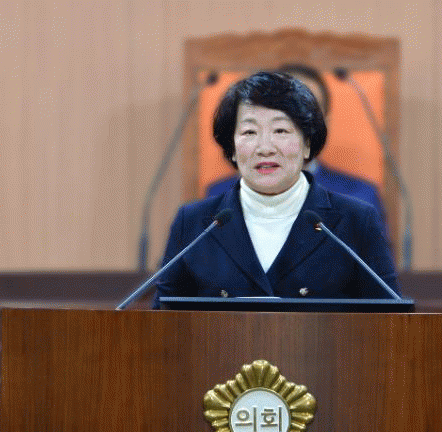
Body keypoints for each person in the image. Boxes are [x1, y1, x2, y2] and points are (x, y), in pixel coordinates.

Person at [152, 72, 398, 307]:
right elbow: (163, 320)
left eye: (280, 131)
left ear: (307, 144)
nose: (265, 148)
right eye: (249, 132)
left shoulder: (356, 222)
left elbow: (389, 320)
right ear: (232, 149)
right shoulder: (194, 224)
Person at [206, 64, 391, 241]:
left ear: (324, 124)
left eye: (306, 113)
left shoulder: (360, 198)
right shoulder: (220, 197)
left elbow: (375, 264)